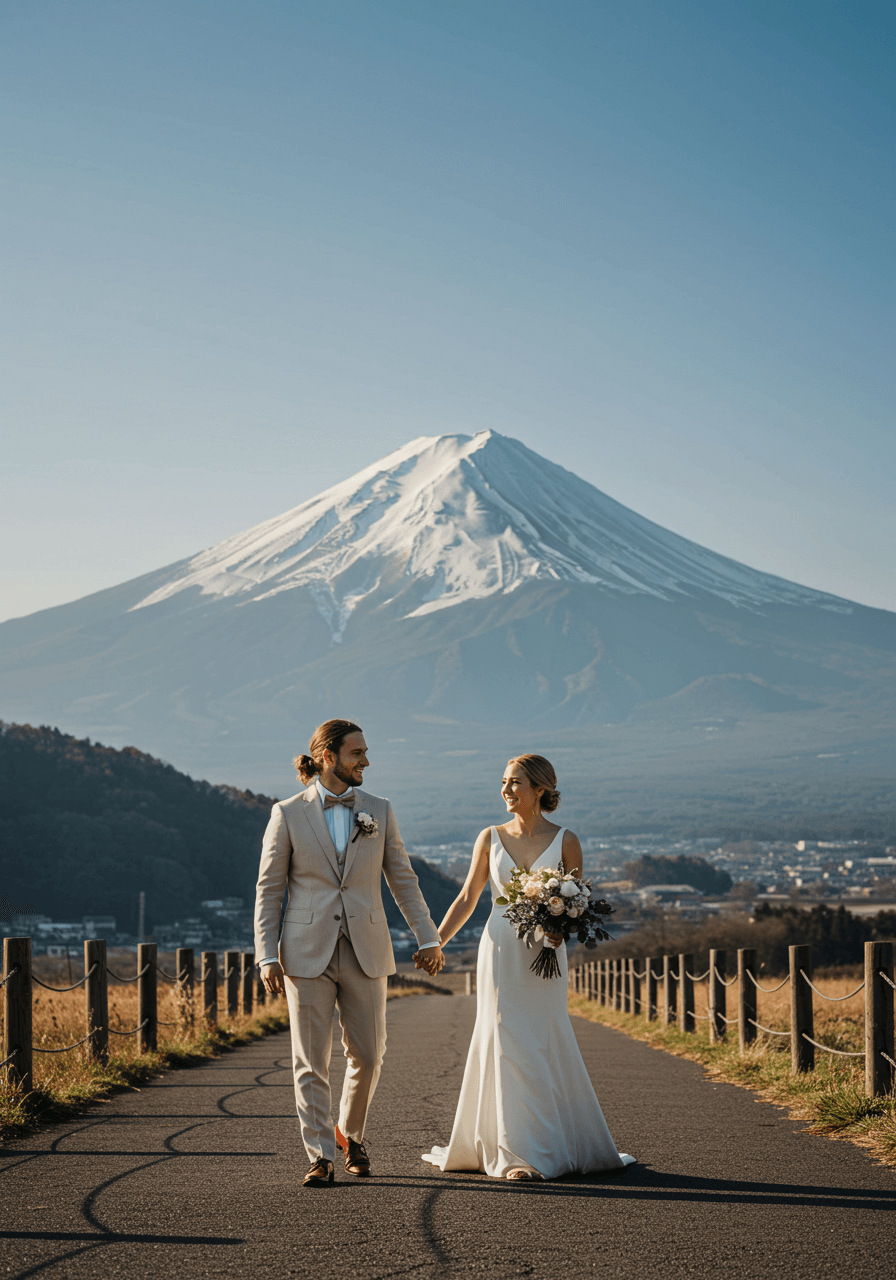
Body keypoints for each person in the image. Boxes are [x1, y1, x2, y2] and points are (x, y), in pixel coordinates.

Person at [420, 754, 634, 1181]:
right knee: (502, 1038)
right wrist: (434, 941)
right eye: (503, 781)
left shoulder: (566, 840)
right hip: (499, 948)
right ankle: (516, 1153)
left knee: (540, 1038)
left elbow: (577, 903)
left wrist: (560, 931)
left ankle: (549, 1143)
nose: (505, 790)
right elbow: (467, 898)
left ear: (540, 789)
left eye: (515, 782)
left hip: (545, 955)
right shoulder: (490, 837)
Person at [255, 719, 445, 1187]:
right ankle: (319, 1155)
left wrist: (428, 936)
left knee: (370, 1054)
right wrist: (265, 954)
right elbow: (269, 889)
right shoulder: (287, 813)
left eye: (365, 752)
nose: (366, 761)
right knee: (310, 1059)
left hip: (367, 949)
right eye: (356, 752)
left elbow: (402, 878)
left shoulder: (379, 809)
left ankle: (349, 1133)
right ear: (327, 756)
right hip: (304, 952)